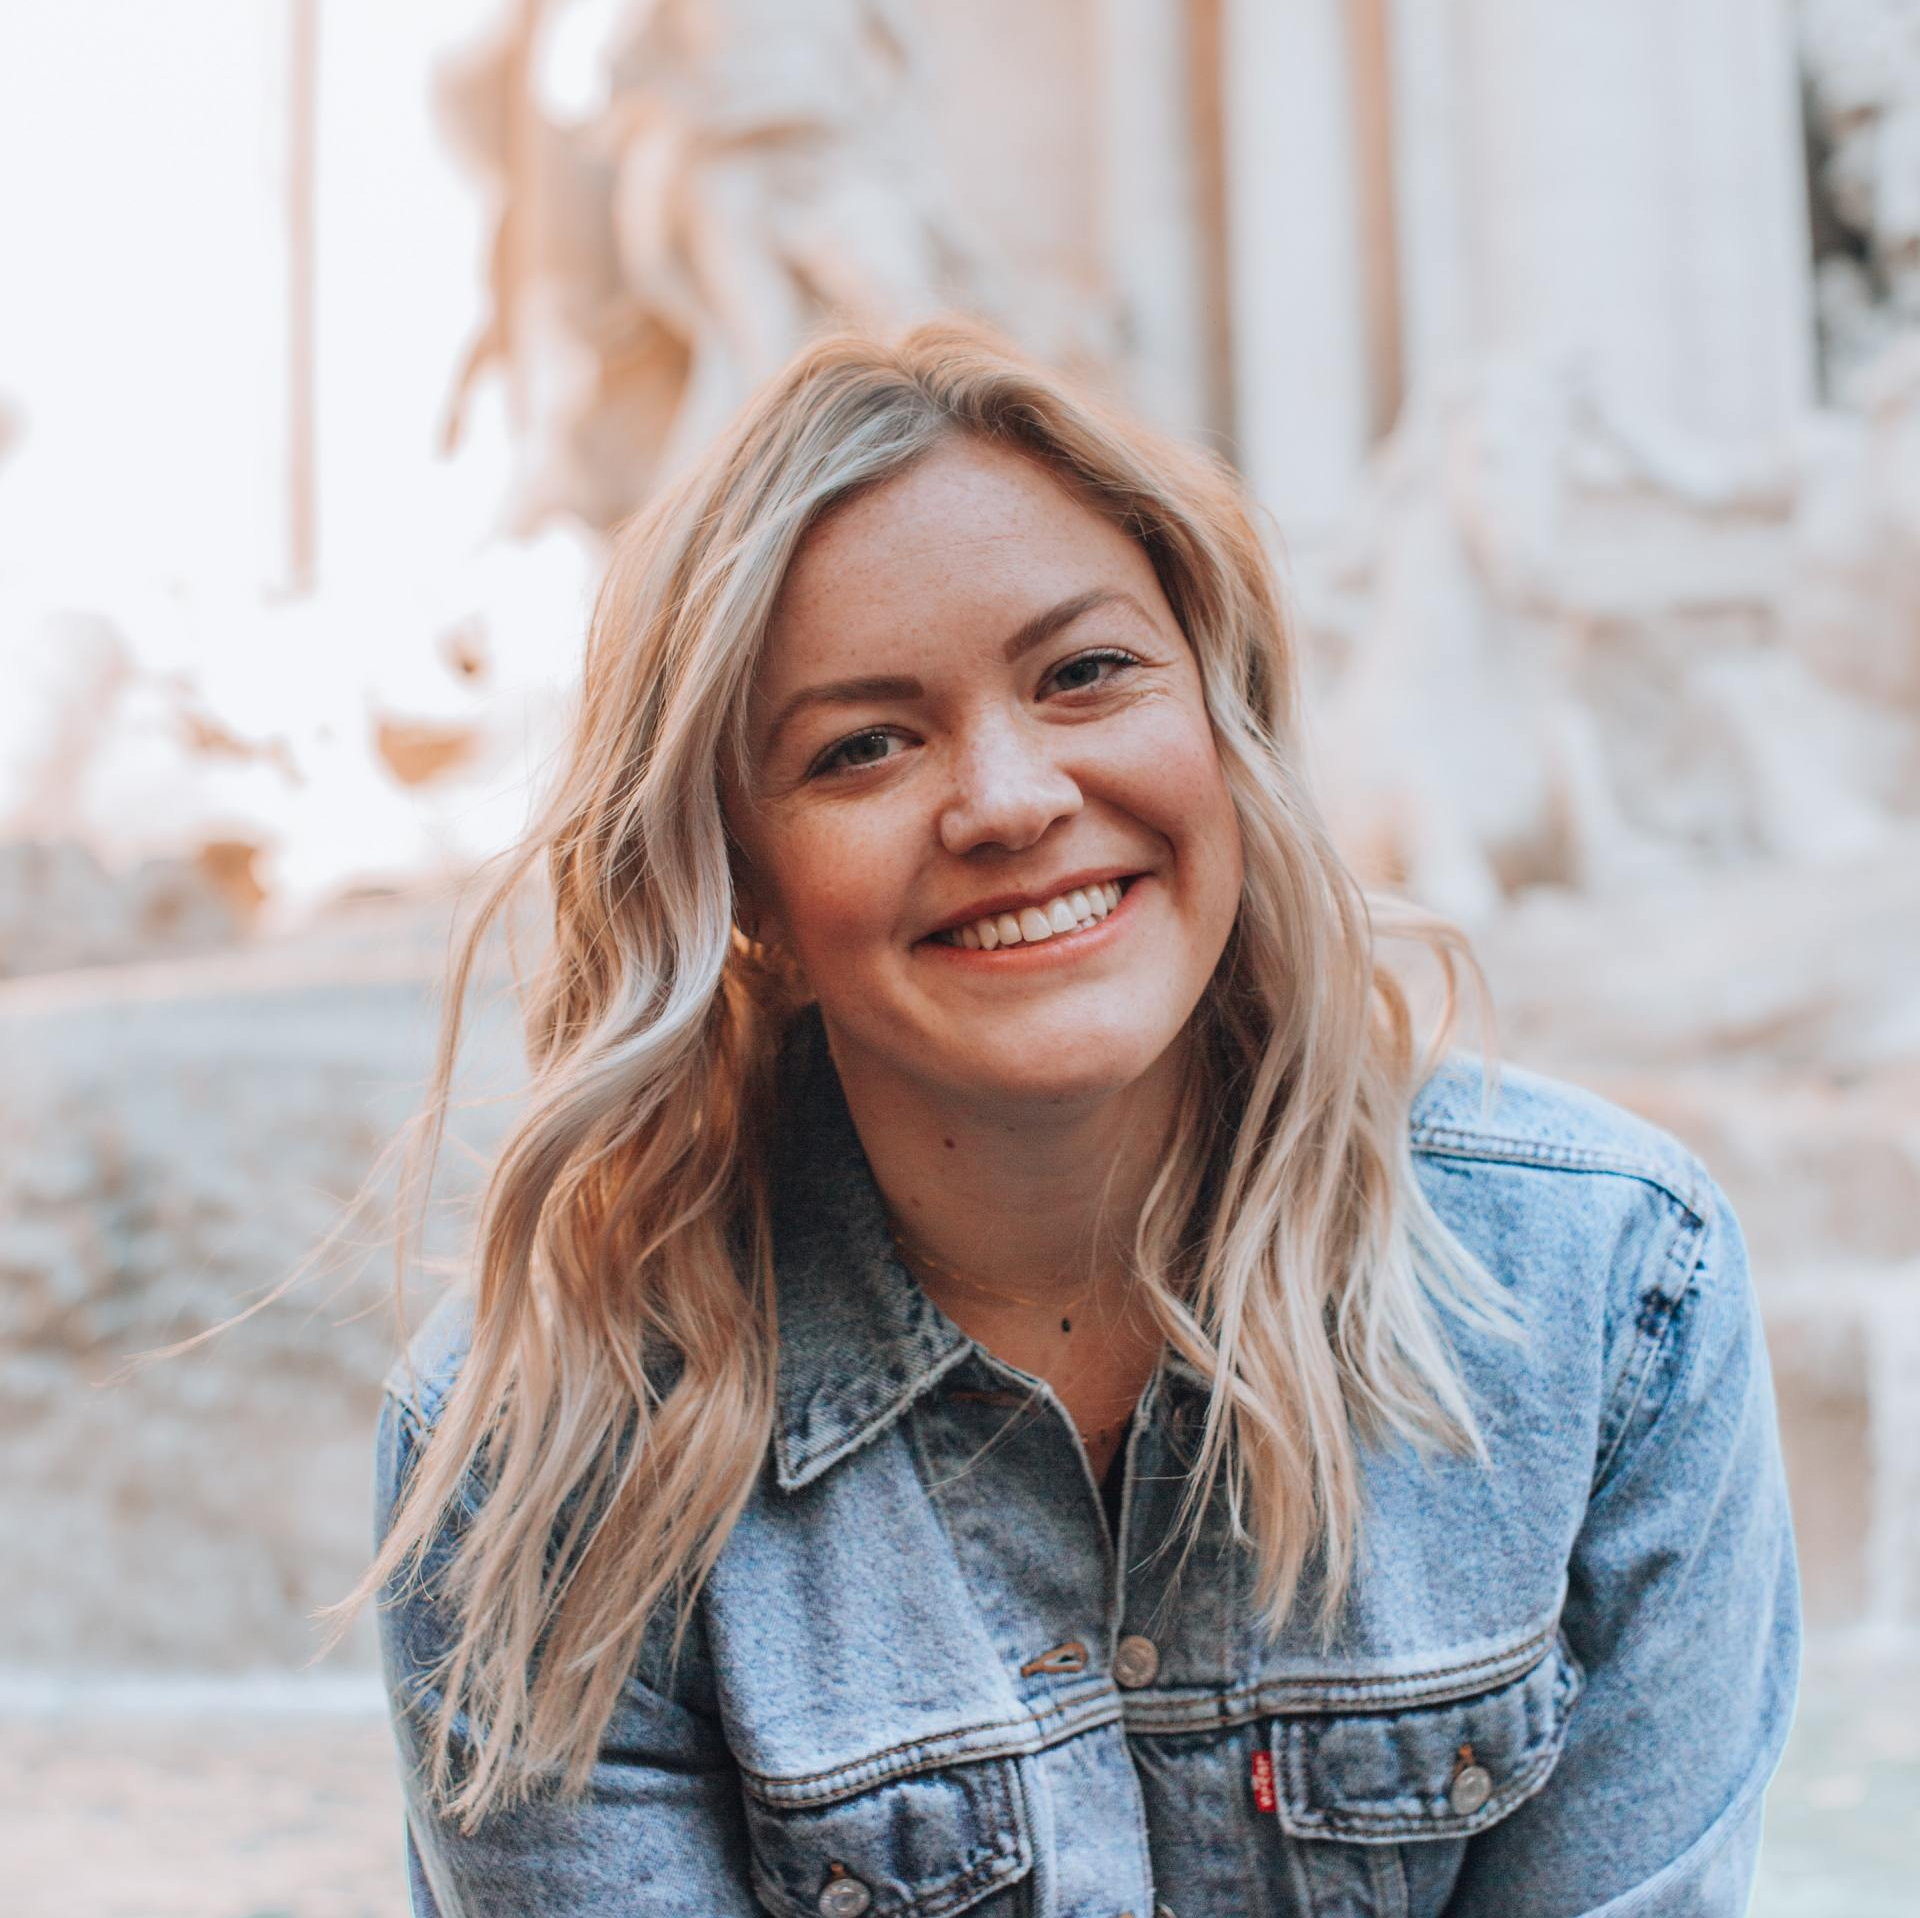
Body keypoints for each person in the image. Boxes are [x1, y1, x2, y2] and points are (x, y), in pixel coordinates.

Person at [347, 318, 1800, 1916]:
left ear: (1224, 723)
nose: (1013, 796)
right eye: (864, 745)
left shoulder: (1608, 1290)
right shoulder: (547, 1457)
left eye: (1087, 671)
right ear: (742, 882)